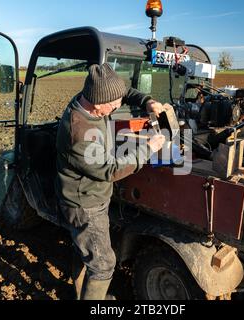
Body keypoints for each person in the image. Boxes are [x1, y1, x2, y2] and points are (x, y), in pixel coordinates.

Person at [55, 63, 168, 300]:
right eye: (114, 104)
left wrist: (146, 100)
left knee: (84, 250)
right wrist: (148, 148)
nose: (119, 105)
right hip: (85, 205)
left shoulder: (92, 97)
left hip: (91, 196)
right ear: (98, 104)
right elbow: (110, 170)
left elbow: (122, 92)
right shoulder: (80, 133)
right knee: (103, 265)